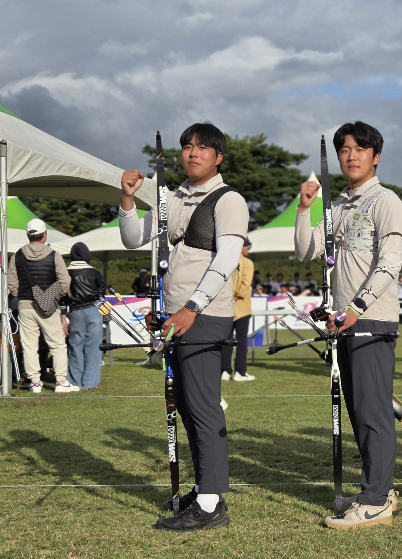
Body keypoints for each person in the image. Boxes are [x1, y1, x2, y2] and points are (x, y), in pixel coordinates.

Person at [119, 122, 248, 531]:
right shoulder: (171, 197)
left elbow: (226, 259)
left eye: (203, 148)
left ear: (218, 157)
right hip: (176, 316)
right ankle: (204, 488)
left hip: (204, 316)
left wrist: (192, 306)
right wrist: (126, 199)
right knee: (190, 409)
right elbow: (133, 237)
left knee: (204, 407)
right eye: (188, 147)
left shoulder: (229, 199)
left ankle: (210, 504)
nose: (193, 153)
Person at [295, 121, 402, 530]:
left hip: (370, 318)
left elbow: (390, 263)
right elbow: (307, 250)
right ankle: (378, 489)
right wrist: (305, 208)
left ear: (375, 156)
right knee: (361, 411)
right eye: (344, 149)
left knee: (373, 412)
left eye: (360, 149)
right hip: (344, 320)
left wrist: (357, 306)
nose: (351, 155)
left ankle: (375, 499)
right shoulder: (337, 203)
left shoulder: (386, 200)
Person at [8, 219, 73, 394]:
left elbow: (12, 283)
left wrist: (19, 295)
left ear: (28, 235)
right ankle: (60, 381)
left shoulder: (17, 255)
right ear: (45, 234)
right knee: (57, 344)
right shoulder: (54, 255)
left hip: (25, 305)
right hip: (49, 308)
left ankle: (35, 382)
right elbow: (65, 281)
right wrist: (55, 295)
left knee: (29, 346)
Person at [65, 242, 106, 390]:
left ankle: (74, 381)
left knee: (75, 345)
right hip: (93, 309)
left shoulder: (66, 271)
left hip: (74, 311)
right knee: (93, 346)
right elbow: (101, 290)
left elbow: (62, 294)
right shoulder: (94, 272)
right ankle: (90, 382)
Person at [222, 237, 255, 382]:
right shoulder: (247, 263)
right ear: (242, 247)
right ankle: (240, 372)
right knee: (242, 341)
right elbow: (245, 283)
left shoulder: (226, 260)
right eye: (247, 247)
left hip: (226, 306)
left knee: (226, 341)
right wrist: (237, 296)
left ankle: (224, 371)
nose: (248, 250)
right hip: (241, 306)